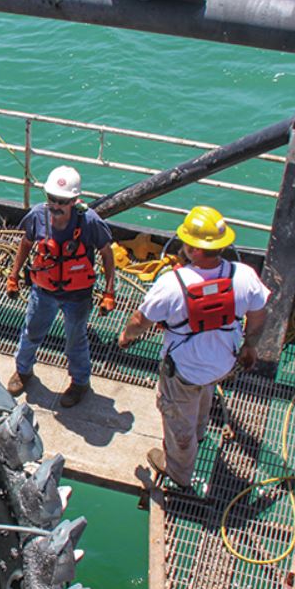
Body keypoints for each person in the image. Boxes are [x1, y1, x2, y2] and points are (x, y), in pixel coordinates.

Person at [116, 206, 269, 493]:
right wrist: (250, 346)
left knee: (178, 420)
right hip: (223, 363)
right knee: (204, 390)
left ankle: (179, 473)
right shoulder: (244, 276)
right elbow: (259, 315)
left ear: (193, 248)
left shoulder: (171, 285)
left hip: (184, 370)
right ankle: (200, 430)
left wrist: (126, 336)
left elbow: (139, 321)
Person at [5, 166, 116, 407]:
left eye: (63, 201)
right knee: (31, 332)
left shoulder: (90, 221)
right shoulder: (38, 215)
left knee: (76, 340)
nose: (56, 205)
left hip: (77, 296)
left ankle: (80, 383)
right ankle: (23, 371)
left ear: (75, 200)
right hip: (43, 291)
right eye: (52, 199)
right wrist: (13, 277)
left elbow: (107, 253)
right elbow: (26, 243)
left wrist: (109, 292)